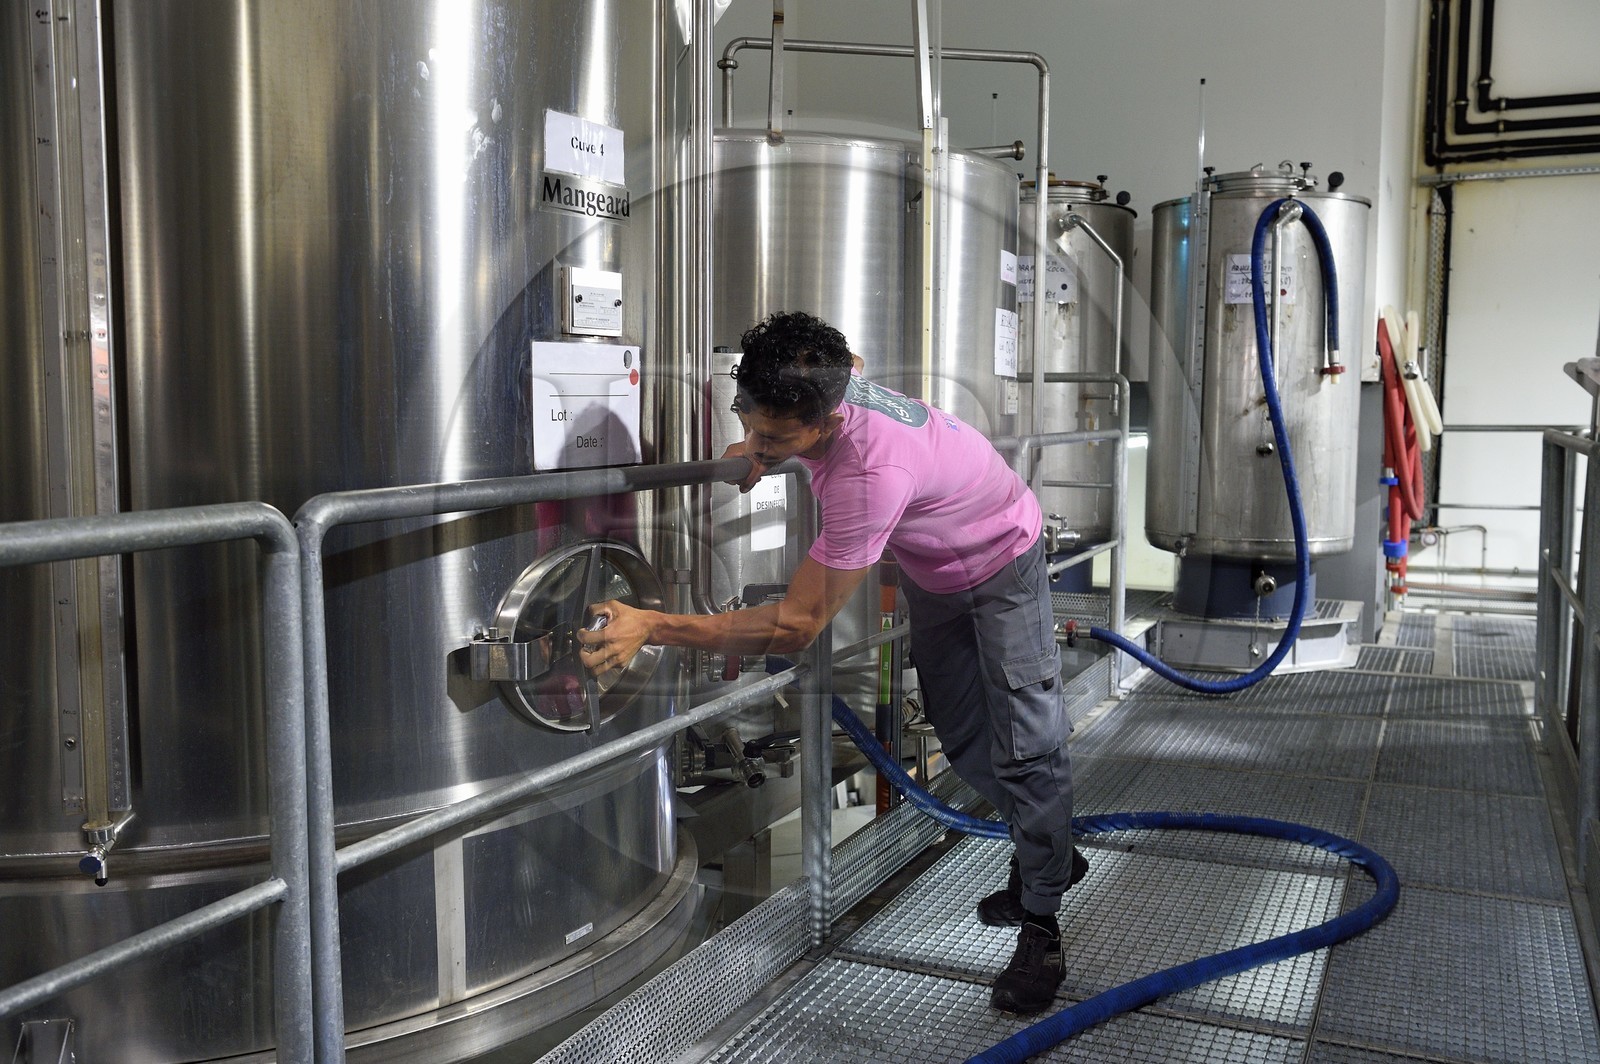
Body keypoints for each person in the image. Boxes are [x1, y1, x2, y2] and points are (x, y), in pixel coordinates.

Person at [578, 310, 1083, 1015]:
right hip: (937, 575)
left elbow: (795, 625)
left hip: (1003, 561)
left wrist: (655, 624)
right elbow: (850, 366)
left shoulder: (869, 475)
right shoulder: (829, 374)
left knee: (1026, 745)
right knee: (964, 736)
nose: (757, 445)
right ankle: (1047, 847)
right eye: (749, 422)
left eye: (777, 437)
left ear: (829, 421)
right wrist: (767, 445)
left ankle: (1043, 921)